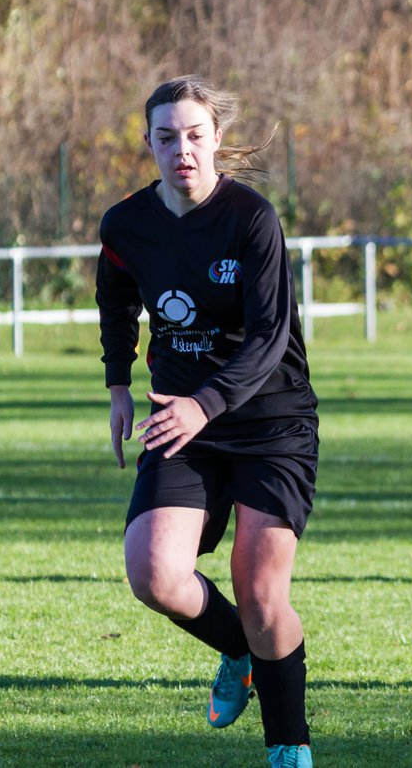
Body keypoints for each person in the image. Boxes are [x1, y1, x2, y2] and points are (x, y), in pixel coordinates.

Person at [96, 76, 317, 767]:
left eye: (195, 135)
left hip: (269, 421)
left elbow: (268, 338)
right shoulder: (126, 224)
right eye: (167, 137)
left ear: (216, 139)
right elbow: (115, 302)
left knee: (258, 589)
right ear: (149, 144)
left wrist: (205, 405)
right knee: (154, 575)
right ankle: (237, 651)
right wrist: (117, 384)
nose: (182, 150)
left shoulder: (252, 218)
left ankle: (289, 748)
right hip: (178, 416)